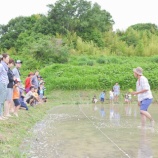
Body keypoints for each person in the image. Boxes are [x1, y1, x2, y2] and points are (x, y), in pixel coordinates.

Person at [0, 53, 10, 120]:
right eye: (8, 58)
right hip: (2, 83)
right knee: (1, 100)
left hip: (5, 83)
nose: (8, 60)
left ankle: (1, 114)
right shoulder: (1, 65)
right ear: (3, 58)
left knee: (3, 100)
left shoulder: (5, 66)